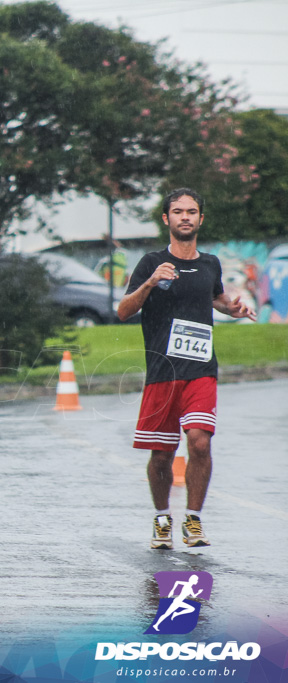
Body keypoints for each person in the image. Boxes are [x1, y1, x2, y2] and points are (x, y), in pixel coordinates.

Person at [117, 188, 255, 549]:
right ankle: (162, 518)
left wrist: (232, 308)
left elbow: (214, 296)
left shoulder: (210, 263)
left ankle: (192, 520)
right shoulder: (151, 262)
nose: (185, 217)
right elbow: (123, 311)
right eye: (177, 211)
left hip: (201, 370)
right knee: (161, 454)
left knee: (199, 442)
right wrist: (149, 282)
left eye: (191, 211)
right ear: (166, 219)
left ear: (200, 219)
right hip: (163, 372)